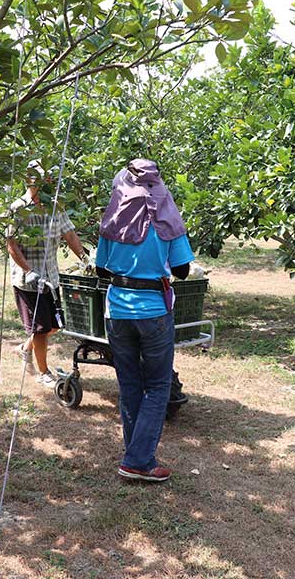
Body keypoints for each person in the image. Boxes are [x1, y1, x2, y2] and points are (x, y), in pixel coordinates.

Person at [95, 158, 194, 483]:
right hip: (154, 311)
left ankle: (138, 458)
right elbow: (181, 270)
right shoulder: (168, 220)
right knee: (157, 385)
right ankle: (137, 461)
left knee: (130, 384)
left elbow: (101, 270)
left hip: (118, 312)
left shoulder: (112, 221)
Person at [7, 160, 89, 387]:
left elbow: (70, 235)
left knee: (54, 325)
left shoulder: (56, 206)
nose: (39, 184)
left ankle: (24, 349)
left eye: (42, 180)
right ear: (27, 181)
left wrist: (85, 259)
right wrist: (29, 271)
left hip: (51, 279)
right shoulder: (18, 208)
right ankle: (44, 372)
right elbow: (11, 245)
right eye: (34, 180)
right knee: (40, 329)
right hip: (28, 281)